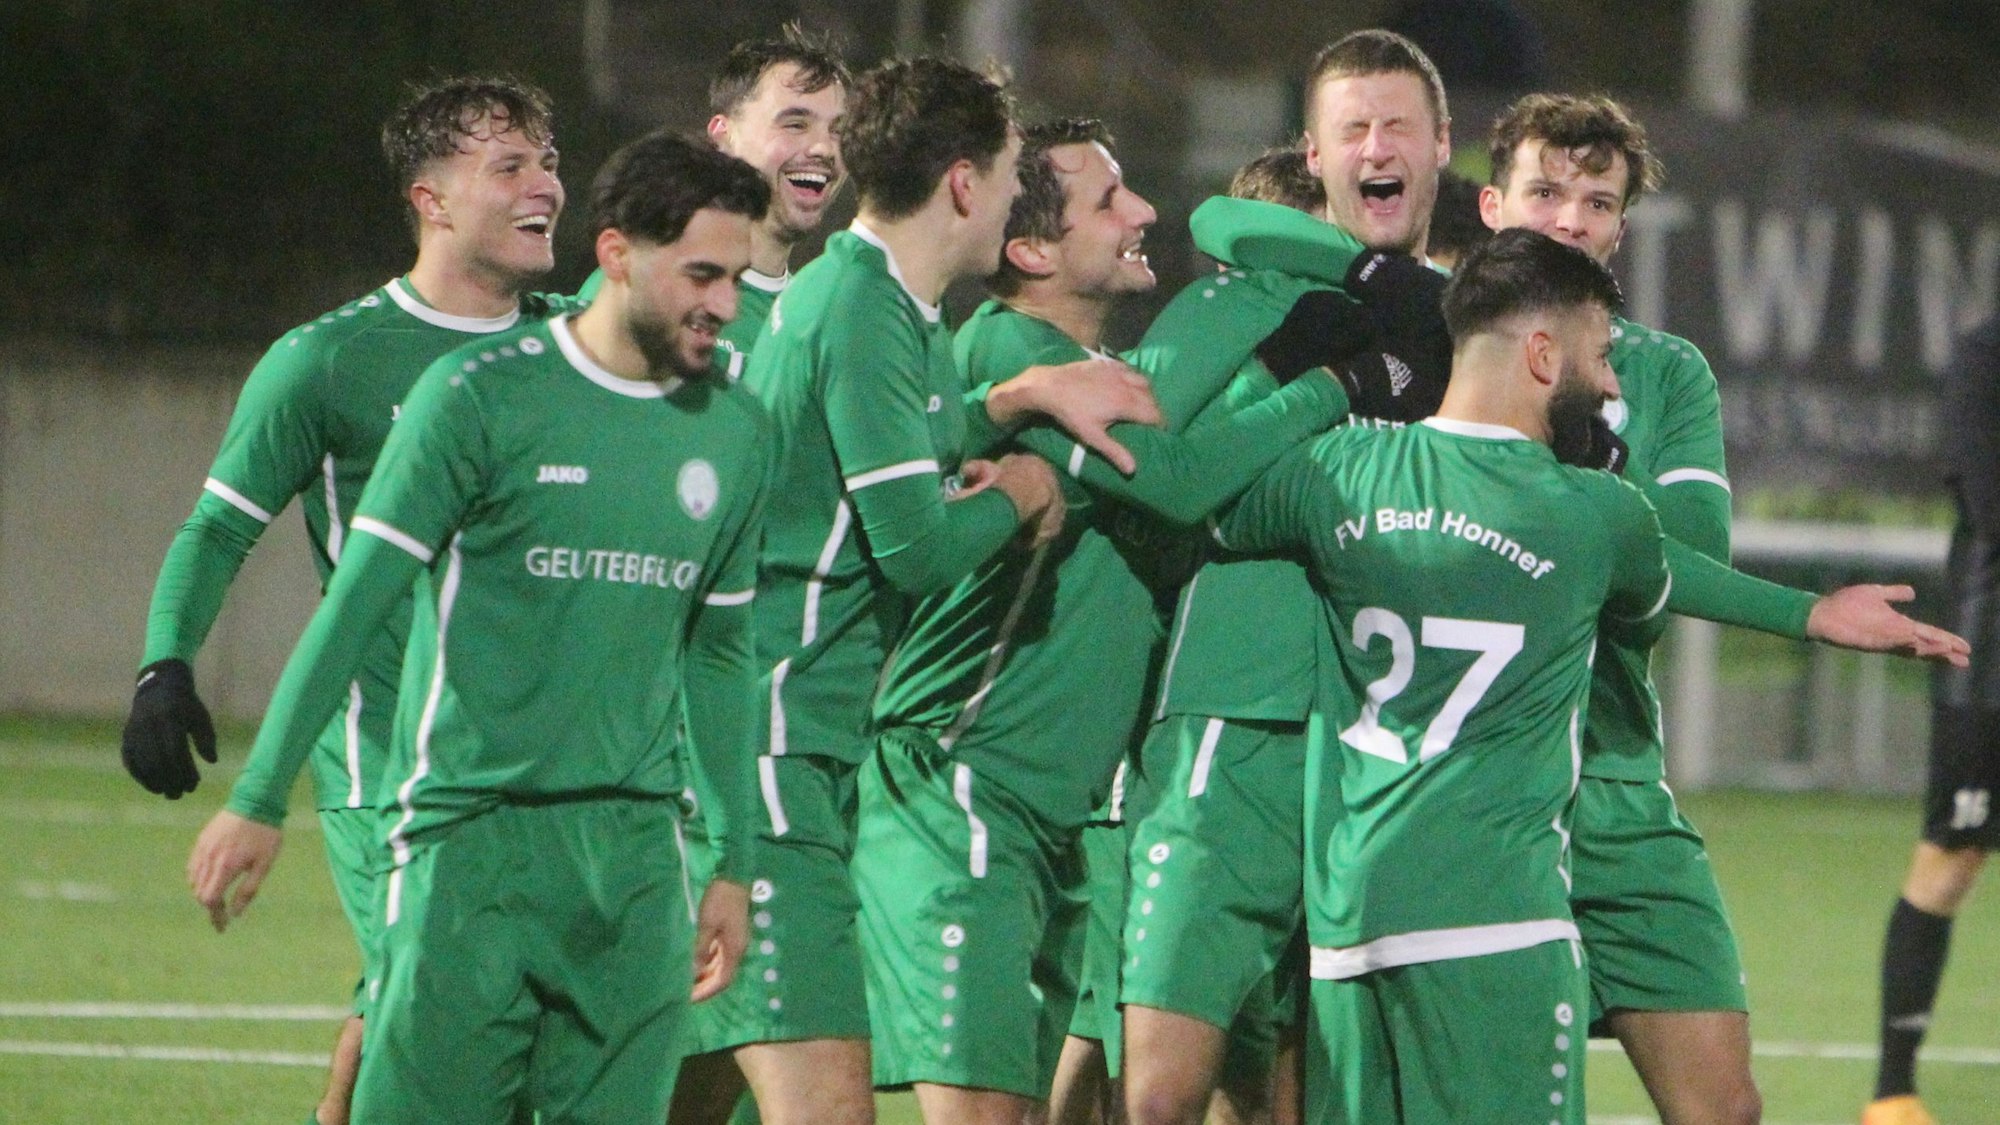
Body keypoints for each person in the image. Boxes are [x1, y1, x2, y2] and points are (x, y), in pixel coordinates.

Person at [1215, 228, 1970, 1125]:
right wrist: (1807, 613)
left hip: (1348, 922)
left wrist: (1311, 376)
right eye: (1602, 356)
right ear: (1542, 354)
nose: (1613, 385)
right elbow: (1666, 578)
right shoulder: (1596, 514)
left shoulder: (1338, 471)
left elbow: (1200, 486)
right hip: (1500, 921)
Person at [185, 130, 774, 1123]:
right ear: (619, 253)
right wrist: (256, 796)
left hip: (635, 861)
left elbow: (720, 651)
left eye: (736, 279)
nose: (723, 304)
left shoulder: (738, 428)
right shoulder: (478, 398)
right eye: (702, 274)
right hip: (470, 845)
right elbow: (355, 607)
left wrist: (733, 864)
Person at [672, 59, 1159, 1125]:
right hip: (765, 753)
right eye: (1002, 171)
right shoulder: (855, 306)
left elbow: (916, 442)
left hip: (802, 754)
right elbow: (918, 551)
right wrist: (1026, 485)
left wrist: (1013, 399)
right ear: (962, 186)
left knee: (679, 1094)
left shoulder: (888, 307)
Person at [860, 118, 1362, 1125]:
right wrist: (1329, 370)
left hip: (1056, 818)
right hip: (960, 793)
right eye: (1108, 202)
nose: (1143, 215)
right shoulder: (1012, 351)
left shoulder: (1095, 369)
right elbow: (1174, 483)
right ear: (1030, 250)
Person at [118, 75, 568, 1125]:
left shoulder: (575, 344)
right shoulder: (330, 360)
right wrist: (163, 665)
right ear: (432, 200)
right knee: (434, 1001)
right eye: (509, 165)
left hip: (547, 750)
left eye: (549, 160)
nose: (544, 184)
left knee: (460, 1010)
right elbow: (219, 527)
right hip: (391, 753)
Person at [1119, 31, 1453, 1125]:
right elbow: (1171, 470)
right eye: (1351, 128)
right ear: (1311, 156)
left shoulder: (1470, 323)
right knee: (1158, 1085)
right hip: (1238, 712)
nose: (1375, 146)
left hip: (1388, 746)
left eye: (1396, 124)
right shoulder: (1245, 297)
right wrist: (1334, 353)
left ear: (1442, 146)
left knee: (1313, 1096)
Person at [1863, 314, 2000, 1125]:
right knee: (1950, 860)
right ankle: (1893, 1090)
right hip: (1991, 657)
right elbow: (1993, 503)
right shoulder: (1986, 354)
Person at [577, 24, 848, 383]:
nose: (825, 149)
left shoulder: (821, 313)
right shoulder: (645, 283)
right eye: (796, 124)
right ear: (722, 136)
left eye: (839, 131)